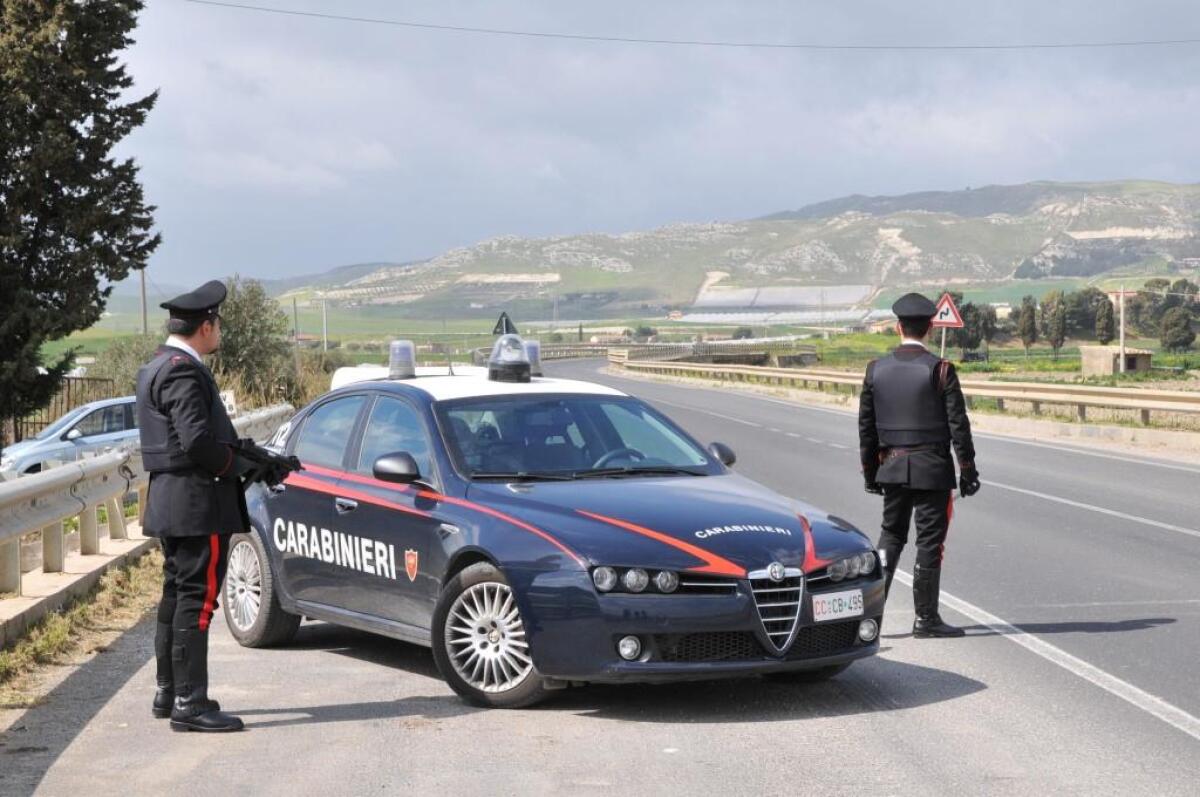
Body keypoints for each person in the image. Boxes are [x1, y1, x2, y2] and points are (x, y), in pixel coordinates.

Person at [136, 280, 286, 732]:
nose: (219, 331)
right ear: (205, 326)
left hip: (173, 501)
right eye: (216, 323)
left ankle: (168, 692)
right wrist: (238, 466)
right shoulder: (185, 370)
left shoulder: (157, 365)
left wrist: (252, 457)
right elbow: (197, 441)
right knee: (197, 602)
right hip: (197, 504)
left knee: (175, 597)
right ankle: (191, 702)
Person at [858, 293, 981, 638]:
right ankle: (926, 619)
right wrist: (968, 471)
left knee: (890, 537)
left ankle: (872, 618)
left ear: (898, 327)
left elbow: (865, 429)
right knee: (929, 543)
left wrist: (871, 474)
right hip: (933, 470)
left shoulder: (875, 370)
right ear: (930, 327)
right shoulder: (941, 370)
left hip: (892, 468)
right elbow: (959, 426)